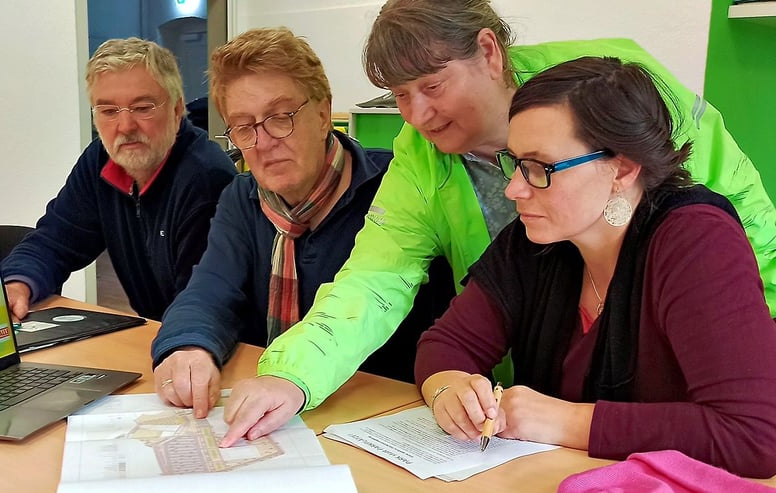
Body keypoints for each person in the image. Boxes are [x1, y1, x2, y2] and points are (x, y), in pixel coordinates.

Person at [221, 0, 776, 445]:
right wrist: (295, 375)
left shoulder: (620, 117)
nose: (416, 115)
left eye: (432, 87)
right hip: (534, 432)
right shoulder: (520, 230)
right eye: (399, 96)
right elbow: (374, 283)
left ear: (488, 52)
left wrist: (752, 351)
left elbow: (736, 232)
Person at [416, 56, 776, 477]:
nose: (515, 188)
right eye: (514, 163)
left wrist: (567, 421)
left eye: (540, 168)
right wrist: (449, 388)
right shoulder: (538, 239)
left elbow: (755, 435)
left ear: (621, 168)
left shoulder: (696, 241)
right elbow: (445, 345)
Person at [150, 27, 453, 421]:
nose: (263, 141)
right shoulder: (242, 198)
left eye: (280, 117)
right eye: (244, 127)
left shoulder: (394, 189)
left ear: (324, 112)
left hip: (381, 414)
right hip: (274, 413)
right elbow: (210, 291)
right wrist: (189, 347)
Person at [0, 38, 236, 321]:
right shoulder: (101, 161)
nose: (125, 126)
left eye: (143, 107)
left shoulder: (206, 178)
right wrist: (19, 281)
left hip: (211, 344)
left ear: (176, 110)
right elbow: (54, 241)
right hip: (160, 332)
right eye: (109, 111)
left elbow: (202, 308)